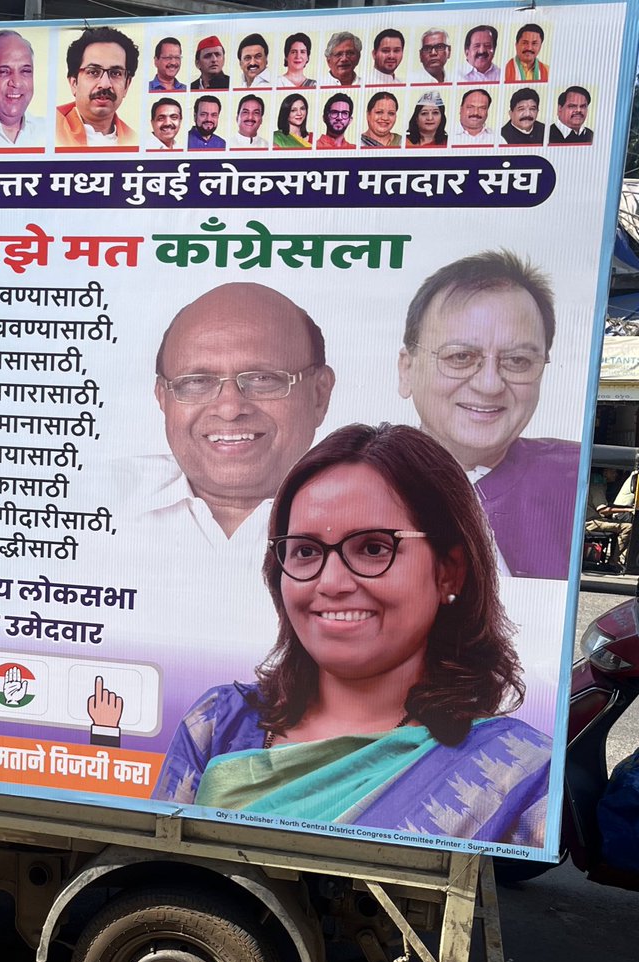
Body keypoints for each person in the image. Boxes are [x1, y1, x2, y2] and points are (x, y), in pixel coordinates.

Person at [155, 423, 550, 850]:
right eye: (305, 551)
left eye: (373, 548)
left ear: (448, 571)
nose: (332, 582)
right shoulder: (220, 724)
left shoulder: (516, 770)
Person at [397, 250, 579, 579]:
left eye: (518, 361)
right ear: (406, 370)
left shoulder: (573, 478)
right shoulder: (348, 486)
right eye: (461, 356)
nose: (490, 384)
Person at [127, 282, 333, 556]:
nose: (230, 409)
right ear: (162, 398)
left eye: (263, 379)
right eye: (197, 381)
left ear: (319, 395)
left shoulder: (380, 510)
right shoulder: (96, 498)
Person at [56, 26, 139, 148]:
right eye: (93, 72)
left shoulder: (138, 143)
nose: (105, 84)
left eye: (115, 73)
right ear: (74, 83)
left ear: (126, 85)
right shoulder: (47, 132)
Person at [585, 469, 632, 570]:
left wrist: (623, 507)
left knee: (618, 525)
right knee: (628, 527)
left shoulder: (594, 484)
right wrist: (627, 509)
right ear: (606, 472)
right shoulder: (597, 486)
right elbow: (602, 510)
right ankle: (613, 560)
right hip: (591, 522)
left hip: (591, 520)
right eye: (614, 471)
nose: (616, 475)